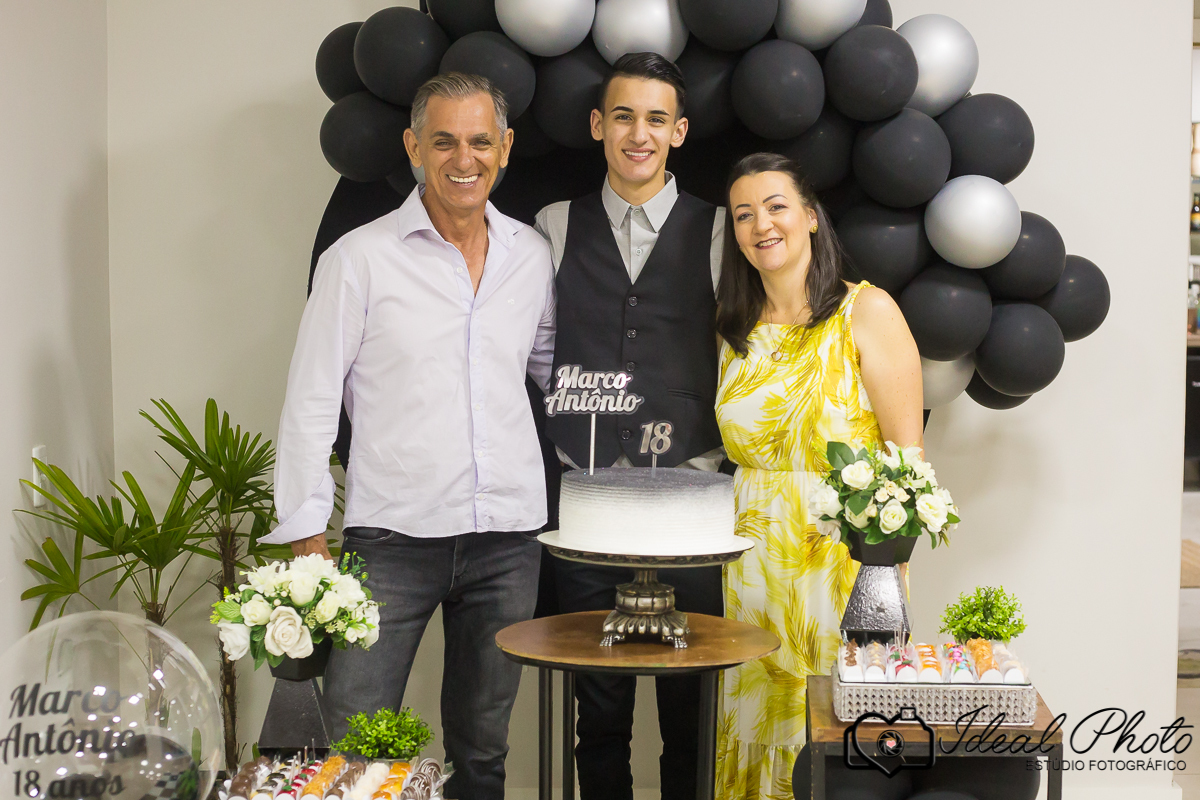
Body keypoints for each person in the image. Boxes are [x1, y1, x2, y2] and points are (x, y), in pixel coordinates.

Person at [263, 73, 556, 800]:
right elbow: (310, 401)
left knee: (484, 750)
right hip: (392, 540)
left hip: (508, 539)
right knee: (356, 747)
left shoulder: (529, 256)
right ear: (413, 147)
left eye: (480, 141)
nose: (465, 159)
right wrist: (306, 536)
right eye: (444, 141)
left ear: (506, 148)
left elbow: (557, 375)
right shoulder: (357, 259)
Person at [533, 53, 725, 800]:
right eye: (623, 117)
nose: (638, 134)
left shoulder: (720, 229)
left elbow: (743, 351)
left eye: (654, 119)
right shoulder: (553, 226)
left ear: (678, 131)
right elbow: (533, 349)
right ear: (597, 126)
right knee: (600, 713)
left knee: (690, 710)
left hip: (692, 508)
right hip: (587, 503)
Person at [712, 152, 923, 800]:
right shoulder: (734, 330)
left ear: (809, 216)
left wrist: (887, 580)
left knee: (841, 728)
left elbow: (908, 463)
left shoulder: (867, 311)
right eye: (744, 214)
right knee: (757, 722)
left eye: (776, 206)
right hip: (751, 564)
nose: (761, 225)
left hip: (844, 563)